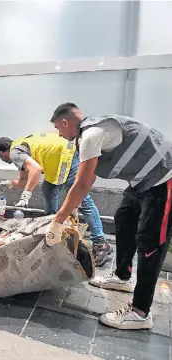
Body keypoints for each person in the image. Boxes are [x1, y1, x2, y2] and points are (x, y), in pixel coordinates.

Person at [47, 103, 172, 330]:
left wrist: (58, 219)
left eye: (58, 128)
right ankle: (122, 277)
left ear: (65, 122)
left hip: (165, 177)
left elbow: (84, 183)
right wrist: (69, 210)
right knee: (124, 219)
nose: (59, 133)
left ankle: (140, 312)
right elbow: (87, 180)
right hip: (143, 181)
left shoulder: (91, 134)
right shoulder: (93, 131)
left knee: (150, 243)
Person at [0, 134, 112, 266]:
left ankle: (100, 244)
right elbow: (24, 180)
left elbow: (36, 170)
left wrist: (26, 195)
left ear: (2, 153)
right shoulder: (20, 146)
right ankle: (53, 231)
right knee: (48, 189)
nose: (4, 160)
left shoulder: (15, 153)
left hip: (67, 157)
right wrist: (7, 184)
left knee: (81, 199)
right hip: (61, 160)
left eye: (0, 158)